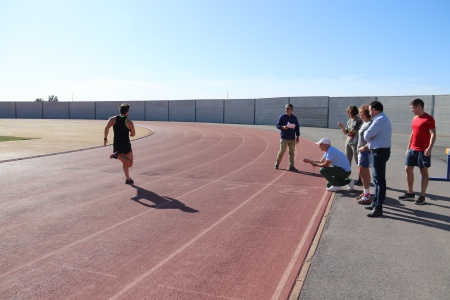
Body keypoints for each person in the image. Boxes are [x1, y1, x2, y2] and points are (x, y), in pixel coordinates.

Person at [398, 99, 436, 205]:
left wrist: (429, 147)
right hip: (412, 149)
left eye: (413, 108)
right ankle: (410, 194)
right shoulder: (415, 118)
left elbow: (433, 134)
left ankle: (422, 196)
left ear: (419, 106)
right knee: (408, 169)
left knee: (423, 172)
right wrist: (408, 147)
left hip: (423, 150)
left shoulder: (429, 119)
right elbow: (412, 133)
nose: (412, 110)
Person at [363, 100, 392, 218]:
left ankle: (378, 207)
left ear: (374, 110)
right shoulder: (380, 119)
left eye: (370, 110)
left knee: (379, 181)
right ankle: (375, 203)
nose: (369, 112)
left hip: (379, 152)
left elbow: (366, 135)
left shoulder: (380, 120)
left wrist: (369, 137)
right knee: (377, 180)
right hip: (378, 152)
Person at [104, 103, 136, 185]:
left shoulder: (112, 119)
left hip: (117, 144)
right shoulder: (129, 122)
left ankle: (128, 179)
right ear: (127, 112)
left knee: (125, 162)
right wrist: (129, 133)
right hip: (125, 144)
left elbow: (107, 127)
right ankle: (117, 156)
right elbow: (133, 134)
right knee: (130, 163)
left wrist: (105, 138)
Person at [338, 105, 363, 185]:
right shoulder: (349, 121)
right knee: (347, 160)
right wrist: (342, 127)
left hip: (356, 143)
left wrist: (348, 132)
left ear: (352, 112)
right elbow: (346, 132)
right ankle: (346, 176)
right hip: (349, 142)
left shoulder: (358, 120)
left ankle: (361, 178)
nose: (347, 113)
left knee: (357, 161)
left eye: (348, 111)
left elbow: (351, 132)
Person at [355, 104, 373, 205]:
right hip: (361, 151)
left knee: (363, 172)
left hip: (365, 152)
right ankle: (366, 192)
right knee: (362, 172)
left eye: (361, 112)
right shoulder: (364, 123)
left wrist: (364, 148)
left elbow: (372, 139)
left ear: (366, 113)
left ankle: (367, 196)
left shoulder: (370, 124)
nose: (359, 114)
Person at [275, 103, 300, 172]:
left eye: (288, 108)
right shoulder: (282, 117)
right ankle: (277, 163)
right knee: (282, 151)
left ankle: (291, 166)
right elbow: (277, 125)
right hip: (284, 137)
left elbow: (297, 127)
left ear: (291, 110)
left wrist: (298, 136)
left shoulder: (294, 118)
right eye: (286, 108)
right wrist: (283, 127)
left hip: (292, 138)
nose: (286, 110)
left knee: (292, 152)